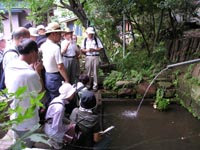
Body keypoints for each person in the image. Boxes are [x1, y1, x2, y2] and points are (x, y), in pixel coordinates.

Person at [4, 39, 43, 147]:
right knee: (26, 145)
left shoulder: (10, 66)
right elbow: (40, 91)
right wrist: (38, 72)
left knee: (17, 143)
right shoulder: (30, 74)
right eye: (37, 53)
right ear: (33, 52)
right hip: (27, 121)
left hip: (14, 115)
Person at [40, 22, 69, 103]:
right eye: (59, 34)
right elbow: (60, 66)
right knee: (57, 99)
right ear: (53, 34)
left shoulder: (43, 45)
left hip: (47, 75)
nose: (61, 36)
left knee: (51, 97)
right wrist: (67, 80)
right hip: (55, 76)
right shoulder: (55, 47)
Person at [44, 82, 76, 149]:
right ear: (69, 95)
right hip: (52, 131)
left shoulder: (57, 99)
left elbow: (59, 118)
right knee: (72, 134)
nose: (73, 94)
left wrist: (68, 121)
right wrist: (68, 127)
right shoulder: (59, 108)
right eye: (72, 93)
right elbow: (56, 127)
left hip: (49, 125)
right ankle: (57, 143)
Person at [81, 27, 103, 91]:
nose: (91, 35)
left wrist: (94, 49)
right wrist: (87, 50)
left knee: (96, 72)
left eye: (92, 34)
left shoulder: (96, 39)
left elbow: (100, 48)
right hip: (88, 57)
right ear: (87, 33)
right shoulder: (84, 40)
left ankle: (95, 86)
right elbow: (82, 49)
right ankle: (88, 85)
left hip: (96, 56)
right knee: (88, 71)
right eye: (89, 34)